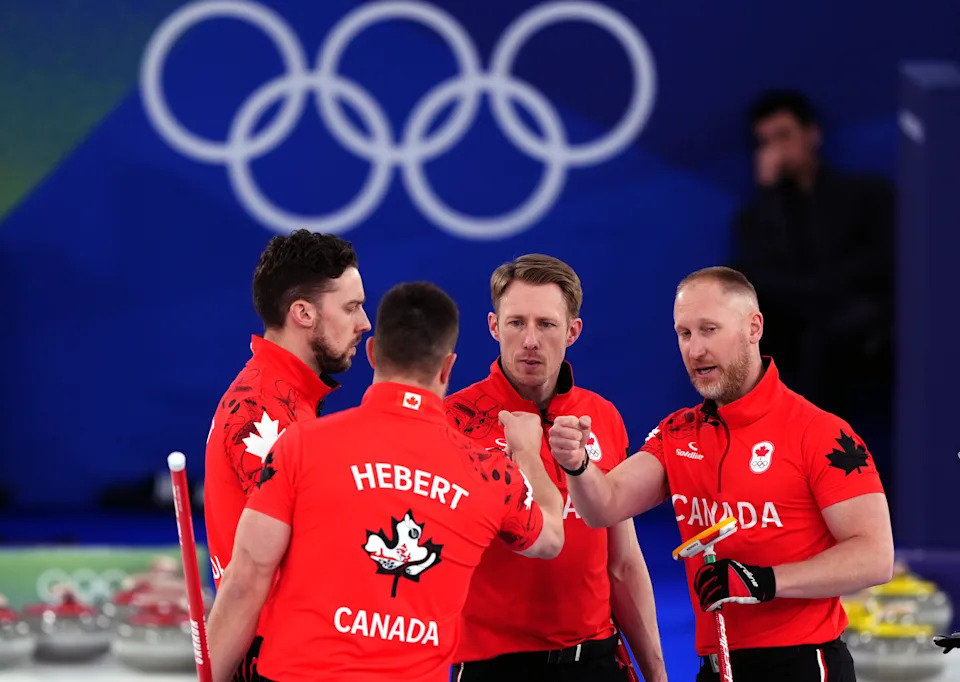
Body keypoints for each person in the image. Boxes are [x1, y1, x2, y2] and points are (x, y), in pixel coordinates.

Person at [206, 281, 566, 682]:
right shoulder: (489, 473)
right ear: (447, 368)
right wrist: (528, 456)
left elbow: (245, 580)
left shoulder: (299, 445)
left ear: (374, 352)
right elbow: (551, 537)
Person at [548, 266, 895, 681]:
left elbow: (876, 557)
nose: (695, 350)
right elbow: (602, 507)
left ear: (754, 327)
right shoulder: (678, 433)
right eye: (684, 334)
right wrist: (578, 464)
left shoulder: (820, 432)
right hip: (716, 668)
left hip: (804, 664)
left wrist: (765, 580)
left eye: (709, 329)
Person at [445, 254, 666, 682]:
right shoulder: (453, 422)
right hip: (492, 669)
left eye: (546, 324)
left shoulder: (601, 415)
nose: (530, 340)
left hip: (596, 662)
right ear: (493, 327)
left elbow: (622, 562)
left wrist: (656, 673)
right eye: (516, 323)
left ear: (572, 331)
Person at [203, 229, 371, 680]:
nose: (365, 323)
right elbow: (257, 572)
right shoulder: (263, 411)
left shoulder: (289, 400)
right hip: (279, 661)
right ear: (303, 313)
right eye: (352, 307)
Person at [732, 90, 895, 492]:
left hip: (863, 327)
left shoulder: (866, 194)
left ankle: (842, 483)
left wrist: (818, 288)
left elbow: (885, 261)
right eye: (765, 142)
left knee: (826, 339)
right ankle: (802, 481)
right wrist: (770, 195)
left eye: (784, 136)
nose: (777, 151)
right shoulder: (758, 216)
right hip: (797, 328)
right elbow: (759, 277)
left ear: (813, 134)